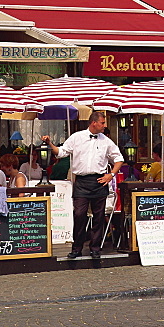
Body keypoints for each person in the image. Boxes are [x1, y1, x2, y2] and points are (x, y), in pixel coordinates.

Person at [43, 111, 123, 260]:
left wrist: (111, 174)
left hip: (99, 181)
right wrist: (49, 143)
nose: (104, 126)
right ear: (94, 123)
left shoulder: (106, 141)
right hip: (81, 181)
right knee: (79, 215)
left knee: (99, 217)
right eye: (103, 123)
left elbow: (119, 159)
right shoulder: (77, 137)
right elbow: (61, 152)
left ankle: (95, 249)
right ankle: (76, 248)